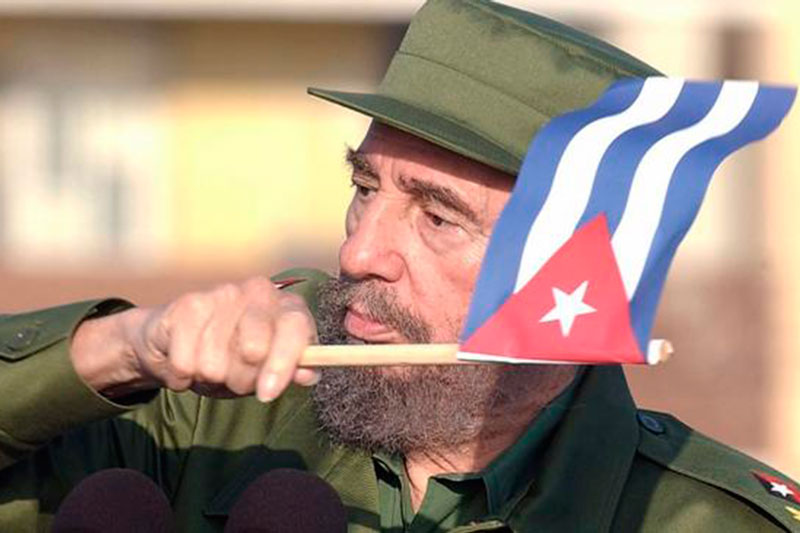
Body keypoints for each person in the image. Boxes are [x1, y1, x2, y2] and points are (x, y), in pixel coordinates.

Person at [0, 0, 798, 531]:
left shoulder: (698, 516)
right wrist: (121, 347)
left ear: (572, 273)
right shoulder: (214, 414)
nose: (357, 251)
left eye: (437, 215)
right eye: (363, 186)